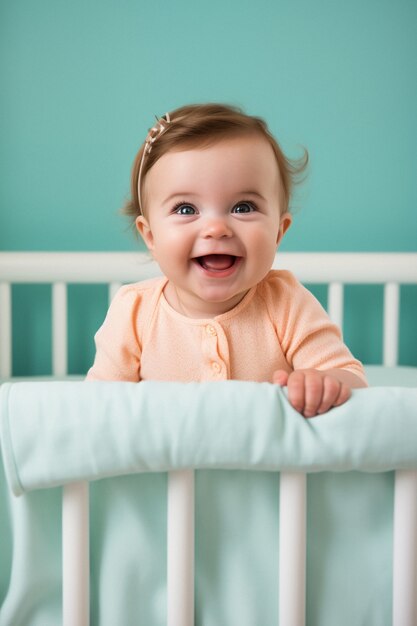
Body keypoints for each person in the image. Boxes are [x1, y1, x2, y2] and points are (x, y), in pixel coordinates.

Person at [87, 103, 367, 417]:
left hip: (270, 464)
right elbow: (100, 409)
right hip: (169, 465)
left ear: (278, 231)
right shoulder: (134, 313)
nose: (216, 228)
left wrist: (322, 382)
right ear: (150, 236)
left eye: (243, 207)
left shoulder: (287, 303)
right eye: (185, 209)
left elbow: (350, 378)